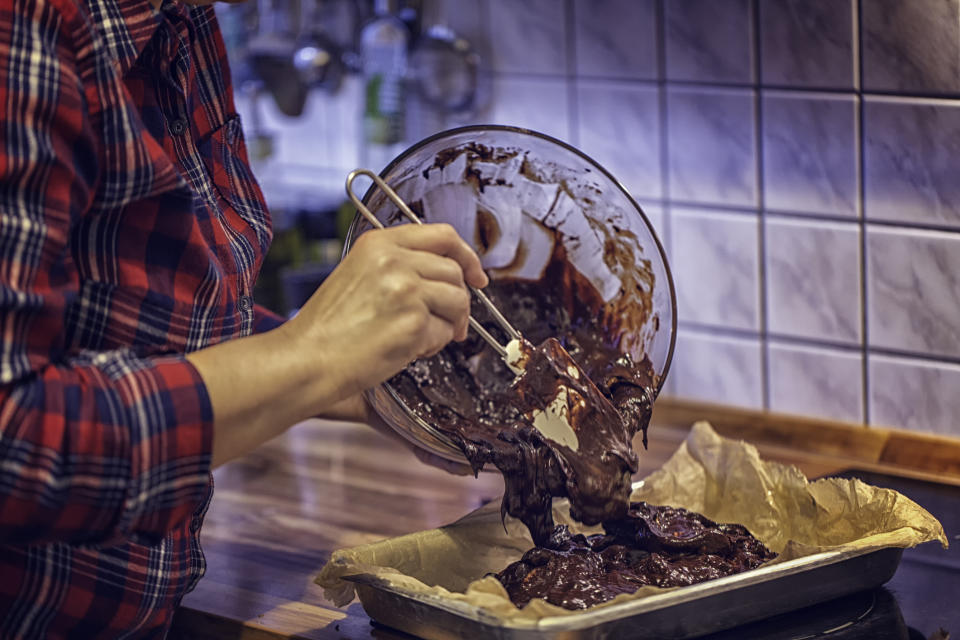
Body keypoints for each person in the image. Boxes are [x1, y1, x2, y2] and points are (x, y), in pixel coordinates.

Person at [0, 0, 486, 636]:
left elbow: (131, 321)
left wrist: (361, 378)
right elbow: (17, 442)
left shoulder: (185, 20)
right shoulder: (27, 27)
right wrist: (314, 356)